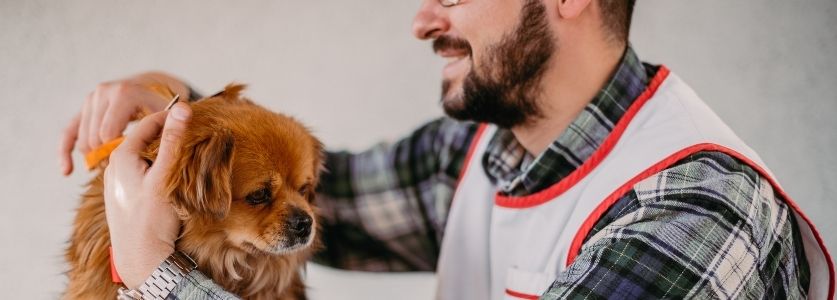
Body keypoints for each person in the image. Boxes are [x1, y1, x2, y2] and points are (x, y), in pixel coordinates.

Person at [59, 0, 833, 299]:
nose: (424, 18)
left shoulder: (694, 212)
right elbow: (309, 199)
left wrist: (158, 277)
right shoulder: (475, 157)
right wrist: (175, 110)